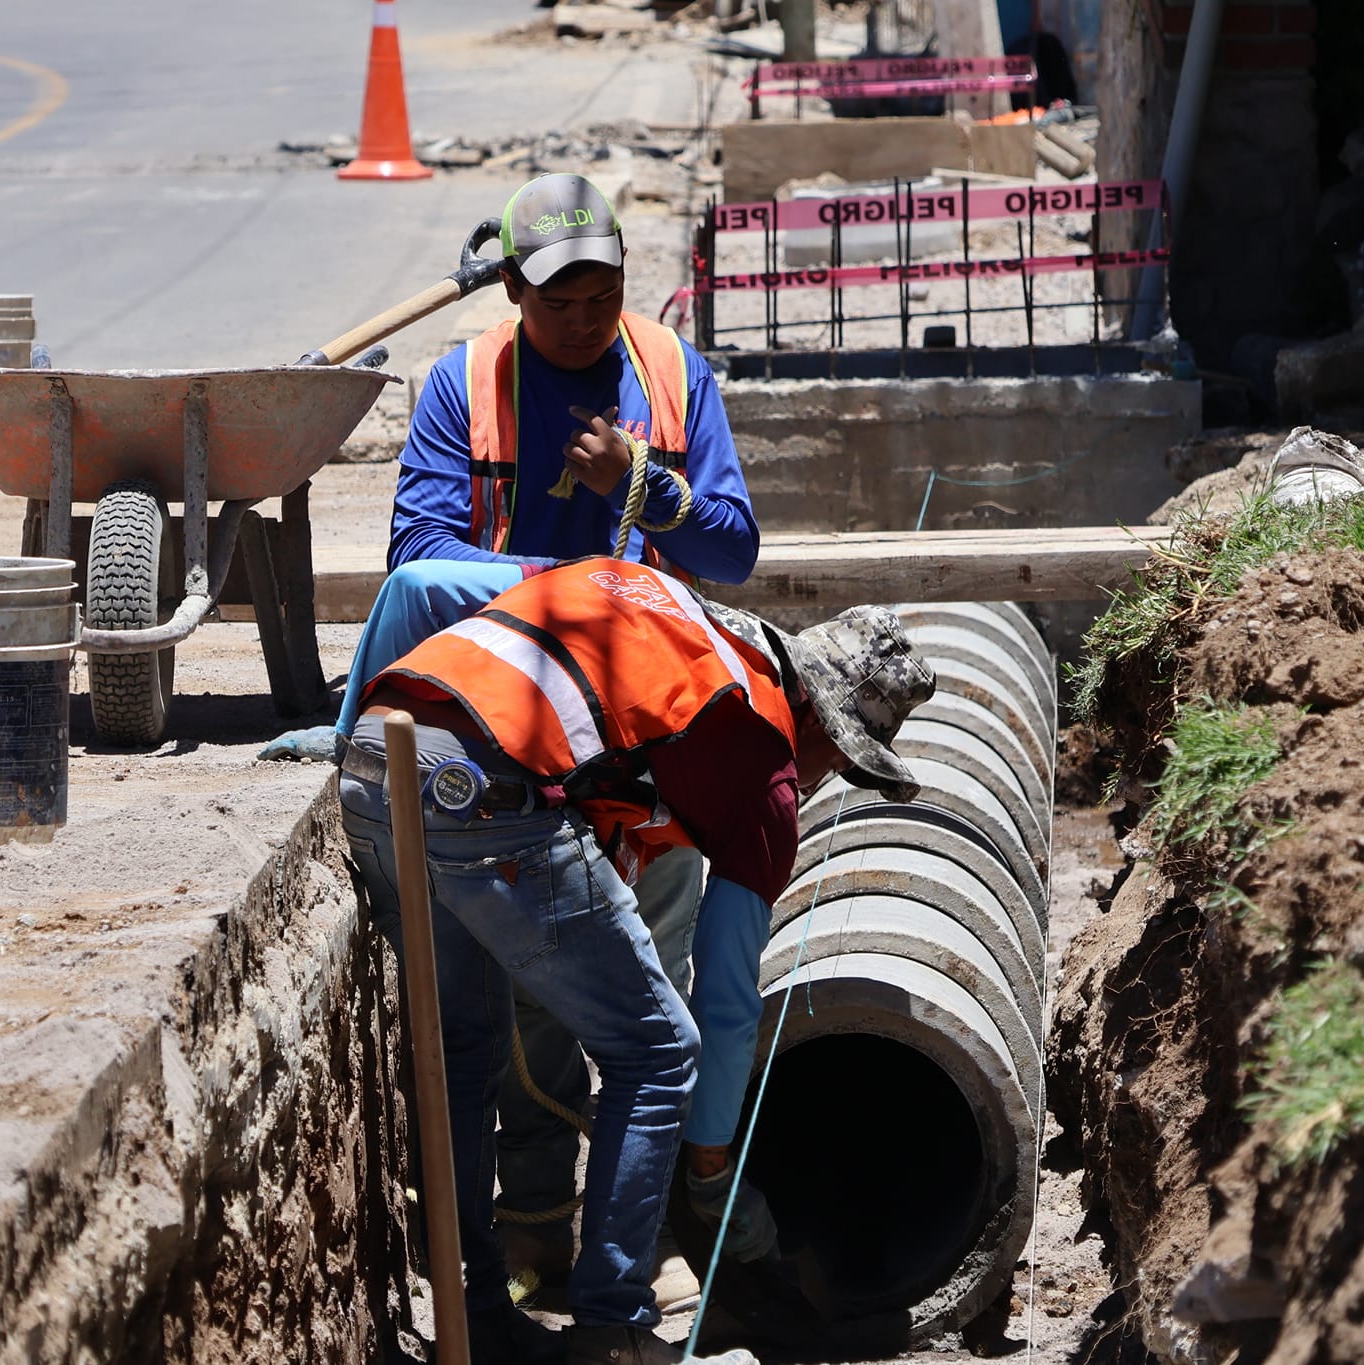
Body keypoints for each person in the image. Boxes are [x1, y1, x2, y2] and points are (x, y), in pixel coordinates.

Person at [269, 171, 763, 1295]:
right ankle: (531, 1232)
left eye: (601, 299)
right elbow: (419, 558)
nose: (582, 324)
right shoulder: (465, 384)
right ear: (511, 290)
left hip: (636, 725)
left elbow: (732, 551)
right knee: (513, 1014)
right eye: (557, 304)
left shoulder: (674, 379)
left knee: (642, 987)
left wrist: (649, 490)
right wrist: (573, 582)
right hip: (496, 723)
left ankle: (625, 1234)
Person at [336, 559, 934, 1365]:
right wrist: (711, 1167)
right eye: (844, 761)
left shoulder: (670, 610)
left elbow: (438, 599)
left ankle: (477, 1322)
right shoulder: (768, 769)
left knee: (468, 1052)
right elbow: (723, 1003)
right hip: (488, 795)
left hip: (376, 755)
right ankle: (613, 1327)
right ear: (825, 724)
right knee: (658, 1051)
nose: (827, 776)